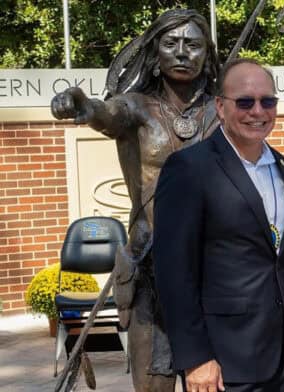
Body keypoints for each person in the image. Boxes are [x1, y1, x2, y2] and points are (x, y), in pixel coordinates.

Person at [50, 9, 219, 391]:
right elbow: (102, 113)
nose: (181, 53)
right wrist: (81, 104)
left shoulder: (222, 109)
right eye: (170, 44)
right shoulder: (136, 107)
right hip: (150, 267)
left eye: (192, 45)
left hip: (213, 268)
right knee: (153, 385)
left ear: (206, 54)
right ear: (154, 53)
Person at [153, 58, 284, 392]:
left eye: (268, 101)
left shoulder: (282, 166)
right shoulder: (189, 168)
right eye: (245, 102)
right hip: (223, 363)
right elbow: (173, 272)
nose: (257, 111)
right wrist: (195, 357)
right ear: (220, 106)